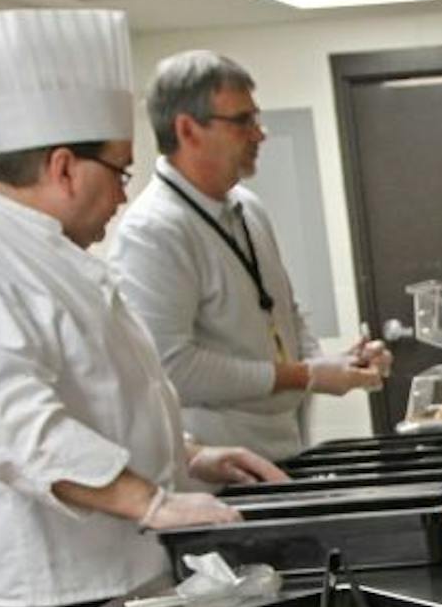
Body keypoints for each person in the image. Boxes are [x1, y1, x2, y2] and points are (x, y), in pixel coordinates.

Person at [0, 10, 283, 607]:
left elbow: (102, 393)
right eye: (121, 173)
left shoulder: (52, 252)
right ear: (65, 167)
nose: (125, 196)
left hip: (111, 555)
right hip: (47, 575)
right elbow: (11, 424)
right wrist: (149, 501)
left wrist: (186, 455)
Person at [112, 51, 389, 462]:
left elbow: (284, 314)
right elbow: (173, 369)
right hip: (219, 471)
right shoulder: (154, 231)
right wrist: (305, 375)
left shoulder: (246, 207)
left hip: (286, 448)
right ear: (188, 130)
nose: (259, 134)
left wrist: (334, 363)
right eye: (243, 121)